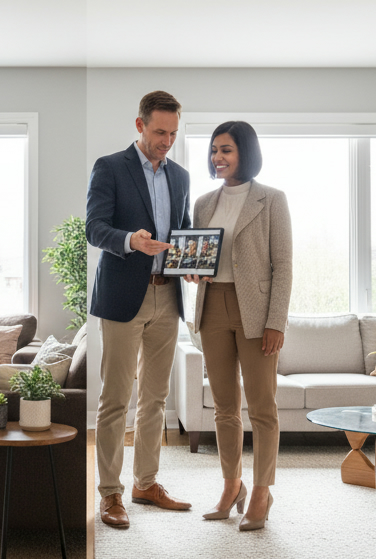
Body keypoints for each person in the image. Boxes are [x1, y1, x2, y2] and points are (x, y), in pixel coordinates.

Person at [87, 90, 193, 529]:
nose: (166, 140)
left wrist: (192, 264)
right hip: (122, 297)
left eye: (172, 133)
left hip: (167, 295)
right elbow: (96, 228)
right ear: (140, 125)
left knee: (156, 398)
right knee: (115, 400)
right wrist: (132, 240)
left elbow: (183, 232)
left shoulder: (182, 176)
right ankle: (110, 494)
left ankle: (145, 483)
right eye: (158, 132)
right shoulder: (110, 167)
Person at [184, 121, 292, 530]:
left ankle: (262, 492)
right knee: (225, 408)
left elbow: (282, 266)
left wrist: (275, 321)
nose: (218, 158)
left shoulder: (272, 200)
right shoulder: (204, 203)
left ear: (245, 151)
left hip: (256, 312)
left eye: (226, 150)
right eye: (214, 150)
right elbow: (197, 256)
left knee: (263, 408)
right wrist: (191, 271)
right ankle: (232, 486)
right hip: (212, 307)